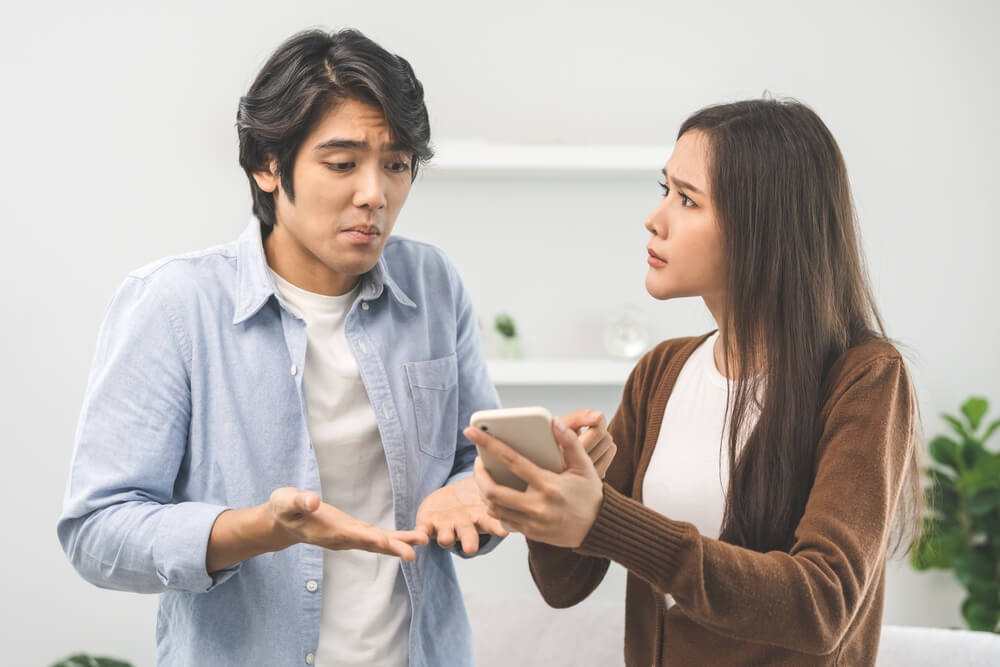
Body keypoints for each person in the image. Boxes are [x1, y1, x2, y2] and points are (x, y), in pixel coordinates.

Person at [57, 28, 614, 667]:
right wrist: (257, 531)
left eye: (397, 164)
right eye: (342, 163)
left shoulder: (432, 285)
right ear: (269, 165)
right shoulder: (173, 305)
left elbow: (469, 464)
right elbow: (97, 531)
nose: (374, 193)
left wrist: (488, 491)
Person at [468, 99, 922, 666]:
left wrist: (603, 517)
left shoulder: (864, 378)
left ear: (765, 226)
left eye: (687, 199)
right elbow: (565, 586)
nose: (655, 218)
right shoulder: (661, 372)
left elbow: (822, 604)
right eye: (664, 190)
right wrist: (557, 497)